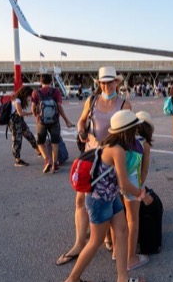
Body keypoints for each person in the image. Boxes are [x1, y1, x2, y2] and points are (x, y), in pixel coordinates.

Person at [59, 110, 147, 282]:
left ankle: (122, 280)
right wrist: (141, 194)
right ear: (127, 131)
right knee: (95, 241)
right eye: (134, 128)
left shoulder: (112, 144)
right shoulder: (118, 150)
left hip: (110, 197)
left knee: (122, 231)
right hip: (99, 200)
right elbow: (123, 182)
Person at [56, 66, 131, 266]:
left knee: (108, 200)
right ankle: (80, 243)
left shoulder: (124, 104)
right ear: (99, 84)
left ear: (117, 82)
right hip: (90, 157)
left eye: (110, 81)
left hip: (109, 160)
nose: (107, 85)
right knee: (80, 199)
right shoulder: (92, 101)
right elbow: (81, 122)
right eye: (103, 82)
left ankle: (106, 238)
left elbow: (127, 135)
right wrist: (81, 130)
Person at [122, 110, 155, 272]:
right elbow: (144, 171)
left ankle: (117, 251)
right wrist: (140, 189)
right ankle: (131, 258)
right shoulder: (144, 144)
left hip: (118, 182)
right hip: (132, 183)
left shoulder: (125, 139)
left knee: (119, 218)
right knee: (133, 221)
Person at [31, 73, 74, 174]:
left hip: (41, 121)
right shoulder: (56, 91)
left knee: (40, 142)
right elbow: (59, 107)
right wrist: (66, 120)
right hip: (54, 121)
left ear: (41, 81)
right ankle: (55, 164)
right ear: (51, 81)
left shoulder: (36, 92)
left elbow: (33, 108)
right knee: (55, 142)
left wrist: (37, 117)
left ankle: (47, 160)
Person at [9, 86, 40, 167]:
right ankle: (17, 160)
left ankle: (39, 151)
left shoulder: (19, 99)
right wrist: (30, 113)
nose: (29, 98)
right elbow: (20, 113)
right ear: (25, 94)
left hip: (20, 121)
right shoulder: (17, 100)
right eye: (29, 95)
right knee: (17, 140)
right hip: (15, 122)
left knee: (30, 135)